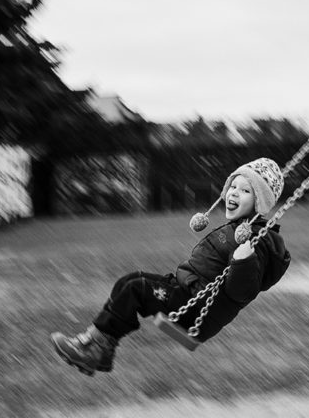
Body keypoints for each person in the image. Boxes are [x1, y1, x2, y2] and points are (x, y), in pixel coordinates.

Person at [50, 157, 291, 375]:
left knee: (135, 287)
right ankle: (97, 347)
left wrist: (244, 260)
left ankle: (95, 349)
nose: (234, 194)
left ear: (259, 201)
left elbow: (242, 291)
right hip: (186, 290)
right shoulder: (239, 227)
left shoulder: (255, 240)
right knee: (129, 281)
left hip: (195, 309)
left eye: (245, 190)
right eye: (233, 187)